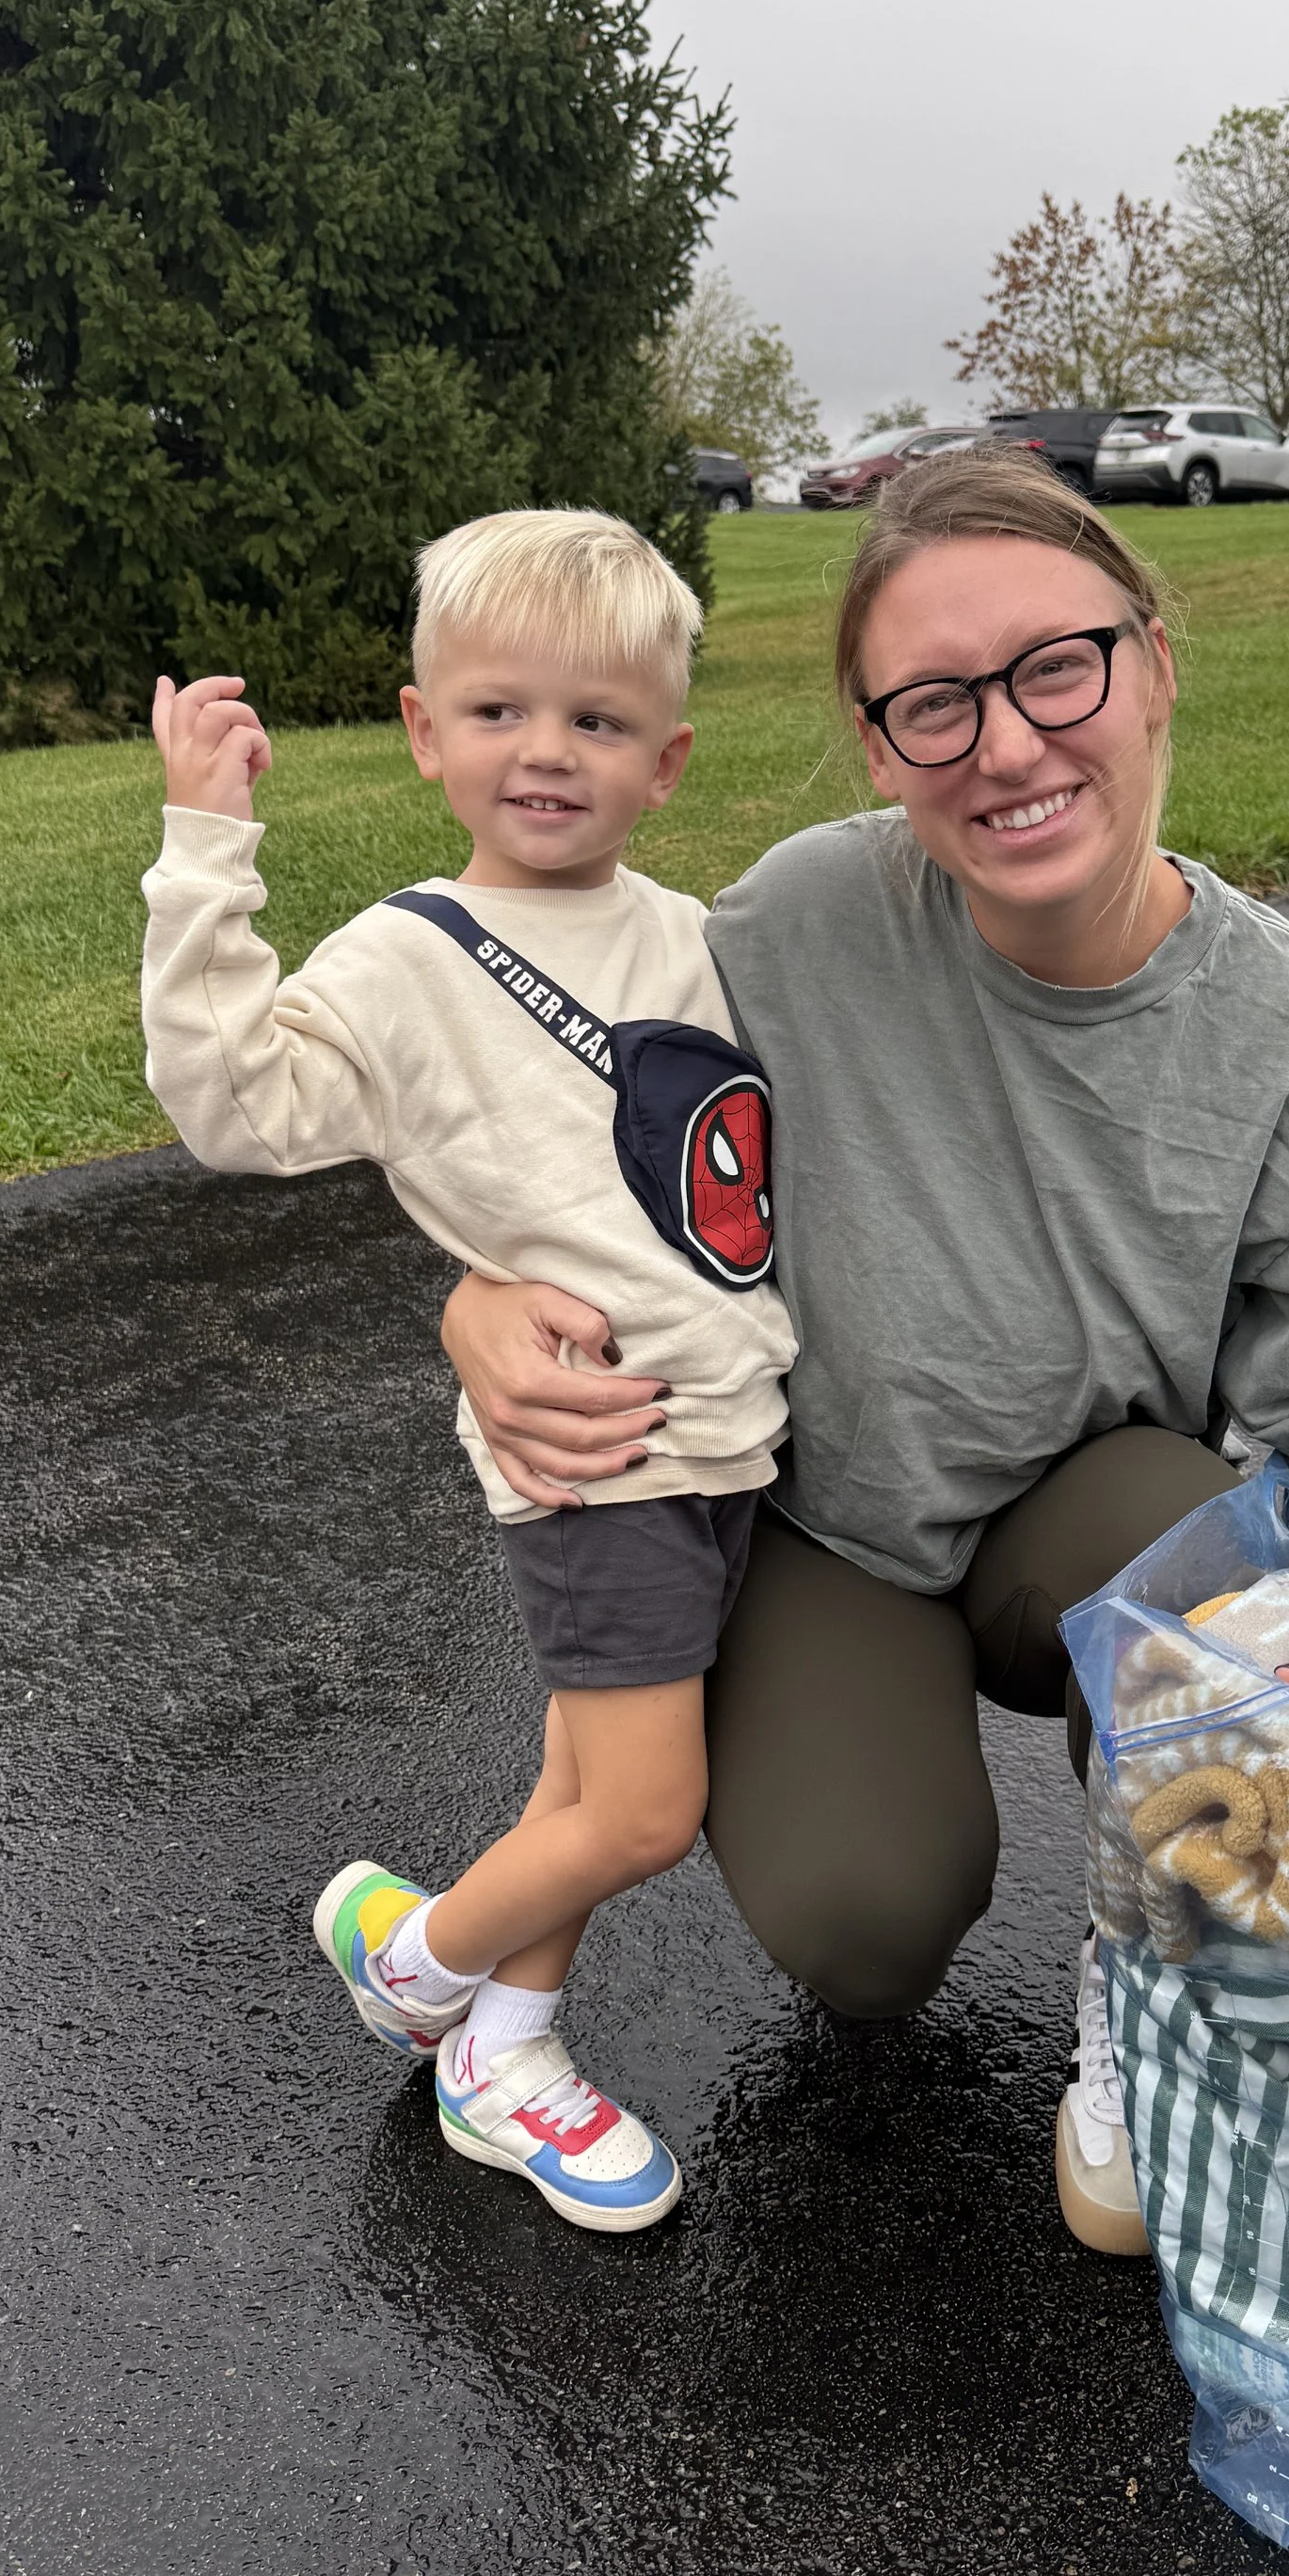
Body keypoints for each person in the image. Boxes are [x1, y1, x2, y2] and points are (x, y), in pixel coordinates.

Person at [441, 451, 1289, 2257]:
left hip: (1081, 1521)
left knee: (1240, 1541)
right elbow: (574, 1143)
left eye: (1060, 669)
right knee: (867, 1932)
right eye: (936, 706)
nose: (1012, 746)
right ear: (881, 749)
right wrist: (476, 1298)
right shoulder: (796, 924)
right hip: (833, 1525)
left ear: (1153, 662)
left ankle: (1153, 1966)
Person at [139, 508, 796, 2234]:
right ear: (426, 733)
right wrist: (207, 841)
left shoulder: (684, 936)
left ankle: (506, 2047)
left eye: (595, 722)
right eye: (499, 712)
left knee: (582, 1788)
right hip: (597, 1454)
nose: (547, 754)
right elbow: (237, 1105)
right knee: (649, 1809)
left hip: (724, 1438)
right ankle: (421, 1966)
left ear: (667, 761)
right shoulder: (410, 958)